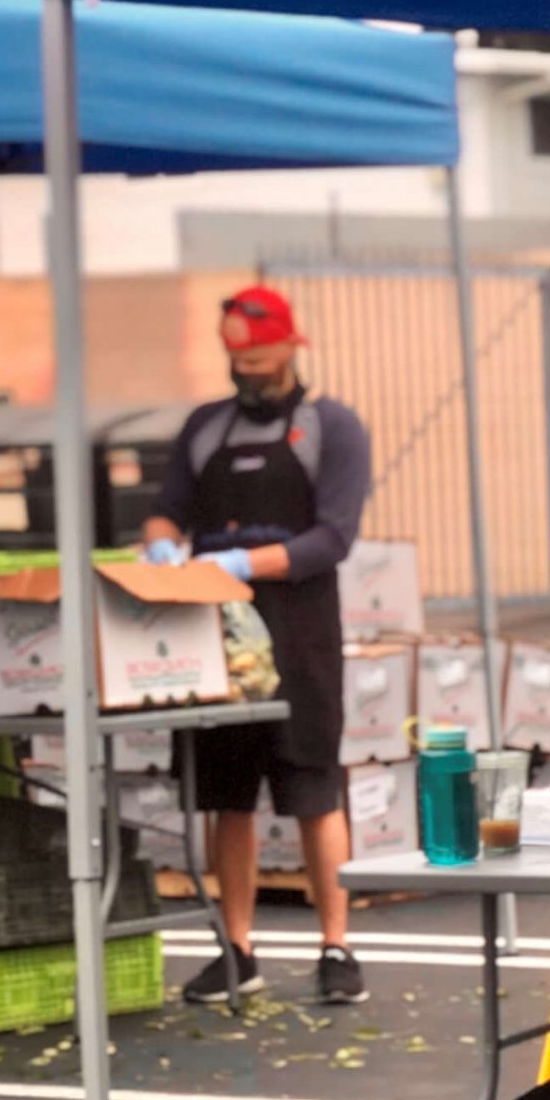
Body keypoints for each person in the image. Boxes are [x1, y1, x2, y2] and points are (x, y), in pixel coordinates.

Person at [143, 286, 373, 1007]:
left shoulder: (331, 428)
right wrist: (158, 546)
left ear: (291, 347)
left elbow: (332, 537)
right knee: (226, 797)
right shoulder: (205, 428)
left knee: (312, 788)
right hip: (212, 636)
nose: (248, 370)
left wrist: (247, 562)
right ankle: (236, 947)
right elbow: (165, 508)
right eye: (236, 358)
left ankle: (336, 944)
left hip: (300, 634)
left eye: (260, 356)